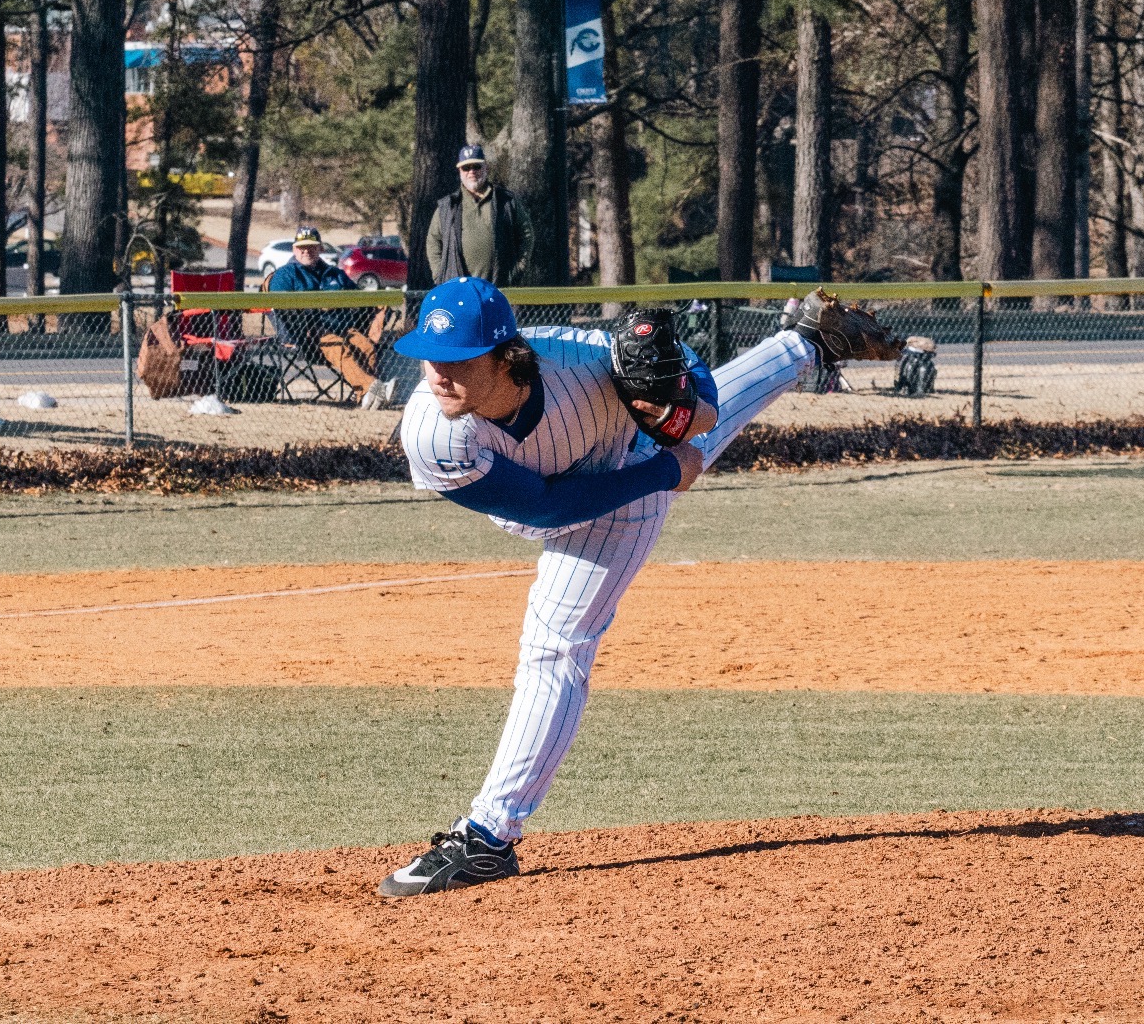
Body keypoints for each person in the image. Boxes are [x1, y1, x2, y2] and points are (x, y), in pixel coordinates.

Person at [376, 280, 900, 897]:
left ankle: (489, 837)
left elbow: (690, 374)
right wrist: (666, 470)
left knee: (555, 647)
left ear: (506, 353)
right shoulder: (433, 432)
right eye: (430, 356)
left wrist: (684, 407)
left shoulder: (582, 358)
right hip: (598, 486)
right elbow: (548, 507)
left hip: (626, 475)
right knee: (696, 433)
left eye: (458, 359)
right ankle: (809, 340)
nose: (438, 373)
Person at [265, 226, 396, 409]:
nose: (306, 251)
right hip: (308, 336)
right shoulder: (285, 275)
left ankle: (367, 399)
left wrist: (377, 306)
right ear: (294, 249)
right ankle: (372, 388)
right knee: (338, 347)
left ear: (320, 248)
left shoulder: (335, 274)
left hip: (343, 328)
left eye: (311, 247)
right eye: (301, 247)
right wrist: (310, 317)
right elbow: (281, 308)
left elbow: (359, 298)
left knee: (366, 347)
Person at [424, 144, 534, 286]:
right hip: (458, 290)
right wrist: (439, 275)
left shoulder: (506, 201)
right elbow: (433, 241)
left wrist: (518, 269)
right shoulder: (448, 206)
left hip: (498, 288)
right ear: (459, 171)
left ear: (485, 168)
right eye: (466, 168)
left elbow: (526, 234)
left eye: (477, 166)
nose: (472, 172)